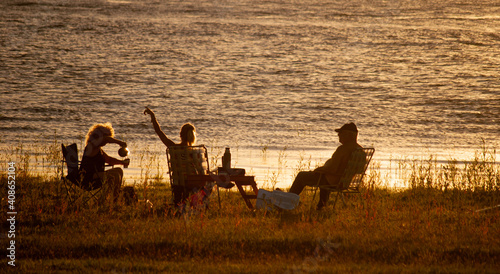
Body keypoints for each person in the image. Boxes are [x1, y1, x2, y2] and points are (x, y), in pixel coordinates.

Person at [289, 122, 363, 210]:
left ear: (350, 135)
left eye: (341, 133)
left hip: (332, 181)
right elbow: (360, 170)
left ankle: (288, 200)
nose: (338, 135)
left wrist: (319, 169)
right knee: (323, 176)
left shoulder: (343, 149)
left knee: (302, 175)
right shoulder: (360, 151)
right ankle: (321, 205)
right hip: (345, 182)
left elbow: (332, 169)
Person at [144, 107, 199, 207]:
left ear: (180, 135)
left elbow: (159, 132)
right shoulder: (195, 152)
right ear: (193, 136)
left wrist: (153, 116)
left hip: (177, 184)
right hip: (193, 185)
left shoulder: (173, 148)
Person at [80, 123, 129, 203]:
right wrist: (120, 143)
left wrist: (122, 162)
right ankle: (113, 200)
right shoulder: (91, 146)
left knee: (119, 171)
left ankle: (114, 196)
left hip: (97, 175)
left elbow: (109, 160)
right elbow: (106, 139)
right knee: (115, 175)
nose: (107, 140)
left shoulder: (98, 149)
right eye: (106, 136)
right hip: (88, 177)